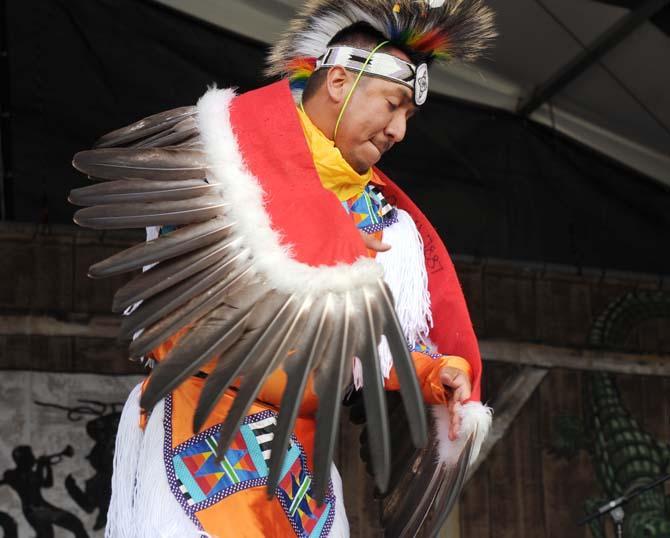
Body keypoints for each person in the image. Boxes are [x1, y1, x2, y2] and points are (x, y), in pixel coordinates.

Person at [69, 1, 496, 536]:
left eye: (409, 115)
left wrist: (436, 375)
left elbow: (367, 356)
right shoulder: (228, 158)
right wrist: (315, 252)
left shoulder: (389, 222)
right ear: (339, 81)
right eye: (392, 104)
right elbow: (172, 324)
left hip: (302, 463)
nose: (399, 130)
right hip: (204, 430)